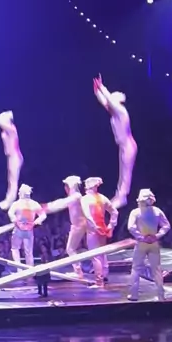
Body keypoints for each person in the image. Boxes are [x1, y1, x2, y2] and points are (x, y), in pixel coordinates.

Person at [93, 74, 137, 208]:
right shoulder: (114, 112)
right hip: (123, 146)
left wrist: (102, 87)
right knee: (122, 172)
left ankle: (122, 197)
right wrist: (97, 91)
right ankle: (119, 196)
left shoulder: (121, 112)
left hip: (128, 145)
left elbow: (109, 101)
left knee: (126, 172)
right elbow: (105, 102)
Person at [127, 189, 170, 302]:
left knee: (136, 268)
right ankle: (161, 295)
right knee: (157, 269)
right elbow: (166, 226)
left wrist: (141, 237)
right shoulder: (157, 211)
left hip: (142, 243)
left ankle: (134, 294)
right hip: (154, 243)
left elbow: (131, 227)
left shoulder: (135, 212)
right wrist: (157, 236)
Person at [42, 176, 87, 278]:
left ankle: (78, 272)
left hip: (79, 225)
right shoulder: (74, 196)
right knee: (71, 249)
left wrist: (47, 207)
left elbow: (62, 203)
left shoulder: (76, 196)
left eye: (66, 185)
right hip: (76, 225)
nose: (65, 188)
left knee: (70, 249)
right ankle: (79, 271)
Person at [81, 177, 118, 288]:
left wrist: (94, 226)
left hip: (94, 230)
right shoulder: (103, 198)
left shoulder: (85, 199)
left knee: (95, 255)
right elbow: (115, 212)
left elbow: (87, 215)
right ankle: (104, 275)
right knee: (102, 253)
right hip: (102, 228)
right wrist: (111, 225)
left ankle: (99, 281)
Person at [0, 103, 23, 210]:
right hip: (10, 156)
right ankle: (8, 200)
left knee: (13, 180)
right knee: (10, 179)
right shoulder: (7, 129)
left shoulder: (11, 129)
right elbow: (1, 123)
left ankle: (10, 201)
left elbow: (0, 122)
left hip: (15, 156)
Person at [8, 184, 46, 268]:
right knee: (28, 252)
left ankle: (19, 268)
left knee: (15, 249)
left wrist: (15, 220)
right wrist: (36, 222)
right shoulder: (34, 204)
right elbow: (43, 215)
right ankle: (29, 269)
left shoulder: (17, 203)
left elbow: (10, 213)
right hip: (28, 229)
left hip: (20, 229)